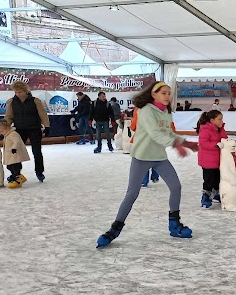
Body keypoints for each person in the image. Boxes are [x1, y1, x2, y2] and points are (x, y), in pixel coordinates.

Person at [95, 81, 199, 248]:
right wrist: (176, 145)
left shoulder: (165, 112)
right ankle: (114, 229)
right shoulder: (145, 111)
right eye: (163, 93)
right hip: (142, 156)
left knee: (176, 187)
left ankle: (174, 224)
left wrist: (186, 143)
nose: (167, 96)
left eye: (169, 93)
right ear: (154, 94)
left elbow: (168, 132)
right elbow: (154, 134)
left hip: (159, 156)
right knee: (132, 193)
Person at [4, 81, 49, 182]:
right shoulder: (12, 102)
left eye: (20, 92)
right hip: (20, 130)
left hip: (35, 129)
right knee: (16, 151)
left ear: (25, 91)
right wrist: (5, 128)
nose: (18, 94)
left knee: (36, 151)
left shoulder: (35, 101)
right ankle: (16, 173)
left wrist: (47, 126)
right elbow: (9, 117)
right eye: (16, 92)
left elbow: (43, 114)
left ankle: (39, 171)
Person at [197, 110, 227, 209]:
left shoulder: (218, 129)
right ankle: (206, 197)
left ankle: (217, 194)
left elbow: (224, 138)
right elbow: (203, 143)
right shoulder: (205, 129)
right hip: (207, 161)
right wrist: (215, 145)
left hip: (217, 160)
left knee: (217, 178)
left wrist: (222, 129)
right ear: (212, 120)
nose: (221, 121)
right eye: (219, 119)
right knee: (209, 180)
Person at [0, 119, 30, 188]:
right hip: (11, 155)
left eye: (2, 131)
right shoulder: (7, 134)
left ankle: (17, 178)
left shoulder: (13, 134)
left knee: (15, 166)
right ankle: (18, 176)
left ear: (7, 128)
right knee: (9, 166)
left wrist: (14, 148)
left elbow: (17, 141)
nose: (1, 133)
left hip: (15, 155)